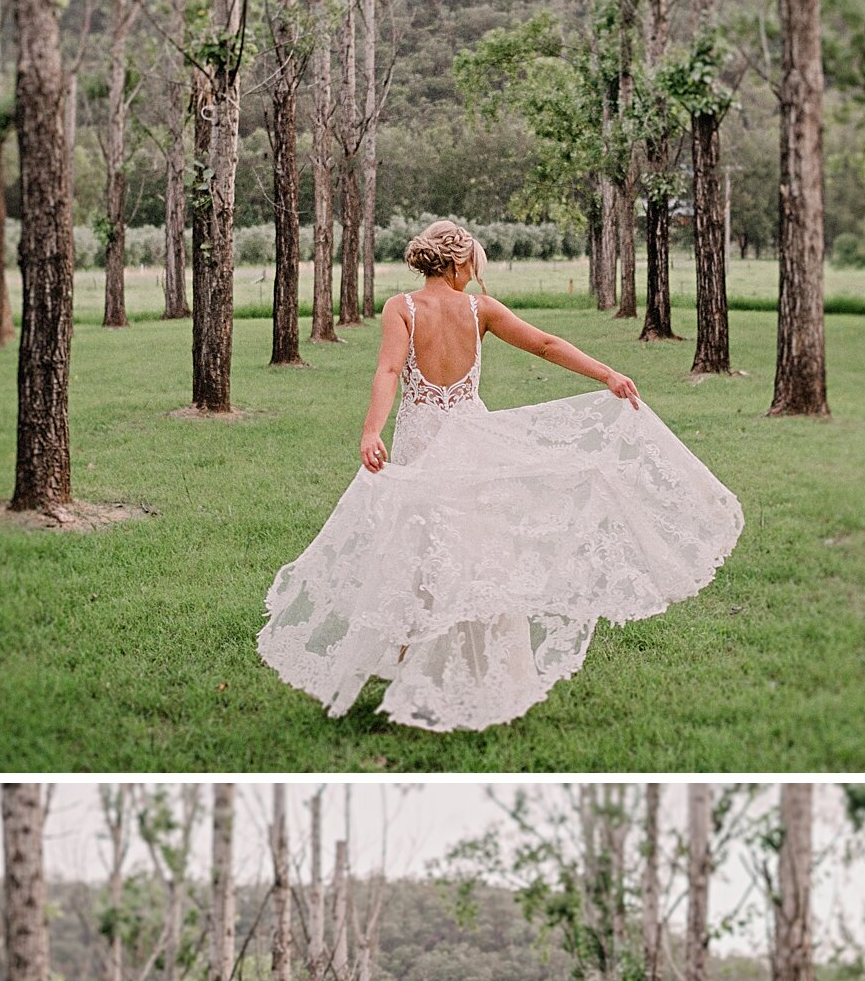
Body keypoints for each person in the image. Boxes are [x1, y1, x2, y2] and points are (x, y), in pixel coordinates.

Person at [256, 219, 744, 732]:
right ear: (459, 262)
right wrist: (608, 374)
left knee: (422, 547)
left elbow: (389, 372)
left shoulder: (402, 307)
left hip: (421, 439)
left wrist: (371, 432)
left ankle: (422, 662)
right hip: (469, 437)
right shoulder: (478, 310)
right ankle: (474, 669)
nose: (476, 274)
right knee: (475, 547)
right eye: (474, 264)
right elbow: (547, 344)